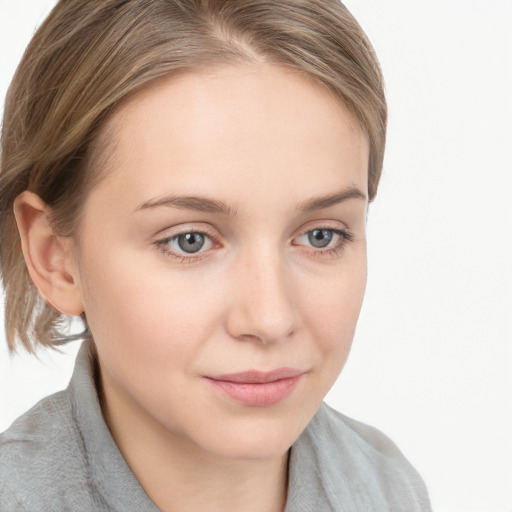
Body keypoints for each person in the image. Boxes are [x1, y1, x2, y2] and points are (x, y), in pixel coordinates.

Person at [0, 0, 432, 510]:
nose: (270, 319)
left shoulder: (387, 489)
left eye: (321, 236)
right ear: (56, 258)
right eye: (190, 240)